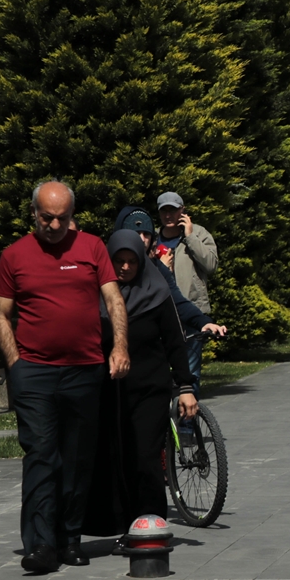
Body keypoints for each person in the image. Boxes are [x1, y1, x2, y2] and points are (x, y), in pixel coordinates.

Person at [0, 181, 130, 574]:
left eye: (62, 218)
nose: (54, 225)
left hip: (83, 370)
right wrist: (16, 363)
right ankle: (40, 545)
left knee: (76, 457)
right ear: (33, 212)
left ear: (73, 215)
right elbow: (1, 313)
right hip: (34, 372)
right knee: (40, 454)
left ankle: (70, 538)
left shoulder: (91, 248)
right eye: (46, 217)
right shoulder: (15, 255)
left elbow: (113, 299)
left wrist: (119, 347)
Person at [83, 231, 197, 540]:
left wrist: (185, 386)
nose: (124, 268)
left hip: (149, 388)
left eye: (131, 262)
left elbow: (175, 342)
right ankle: (120, 528)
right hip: (109, 390)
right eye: (118, 262)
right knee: (114, 457)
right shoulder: (96, 295)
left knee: (145, 456)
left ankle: (150, 525)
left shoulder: (157, 292)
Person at [115, 206, 226, 338]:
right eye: (136, 233)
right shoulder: (105, 266)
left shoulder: (157, 269)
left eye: (146, 234)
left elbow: (176, 301)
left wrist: (203, 322)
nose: (142, 240)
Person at [154, 191, 218, 395]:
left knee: (190, 374)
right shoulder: (152, 239)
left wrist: (190, 237)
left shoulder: (199, 234)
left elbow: (211, 265)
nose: (168, 215)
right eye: (164, 211)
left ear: (183, 211)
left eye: (173, 210)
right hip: (162, 313)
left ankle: (188, 426)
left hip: (192, 313)